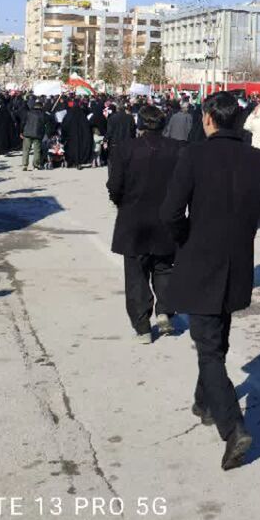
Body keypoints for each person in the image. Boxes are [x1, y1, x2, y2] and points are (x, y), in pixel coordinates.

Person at [159, 91, 260, 472]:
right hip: (237, 263)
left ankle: (233, 427)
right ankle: (205, 401)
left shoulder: (193, 155)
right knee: (216, 337)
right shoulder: (255, 160)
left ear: (208, 119)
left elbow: (170, 211)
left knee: (210, 349)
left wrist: (184, 235)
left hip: (200, 260)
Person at [108, 105, 182, 342]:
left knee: (136, 274)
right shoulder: (176, 149)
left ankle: (142, 326)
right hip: (165, 218)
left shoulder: (126, 148)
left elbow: (114, 184)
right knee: (164, 267)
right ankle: (164, 311)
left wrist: (119, 201)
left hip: (134, 218)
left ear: (140, 123)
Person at [61, 101, 93, 169]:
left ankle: (72, 161)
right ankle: (79, 161)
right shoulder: (82, 116)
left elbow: (64, 125)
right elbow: (87, 127)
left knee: (72, 149)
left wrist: (64, 136)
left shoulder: (69, 115)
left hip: (71, 137)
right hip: (81, 137)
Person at [21, 101, 48, 171]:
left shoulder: (28, 113)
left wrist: (21, 131)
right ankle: (36, 165)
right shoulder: (43, 114)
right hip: (37, 134)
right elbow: (47, 122)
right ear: (41, 107)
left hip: (27, 133)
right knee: (37, 150)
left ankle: (25, 165)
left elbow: (23, 122)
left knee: (26, 150)